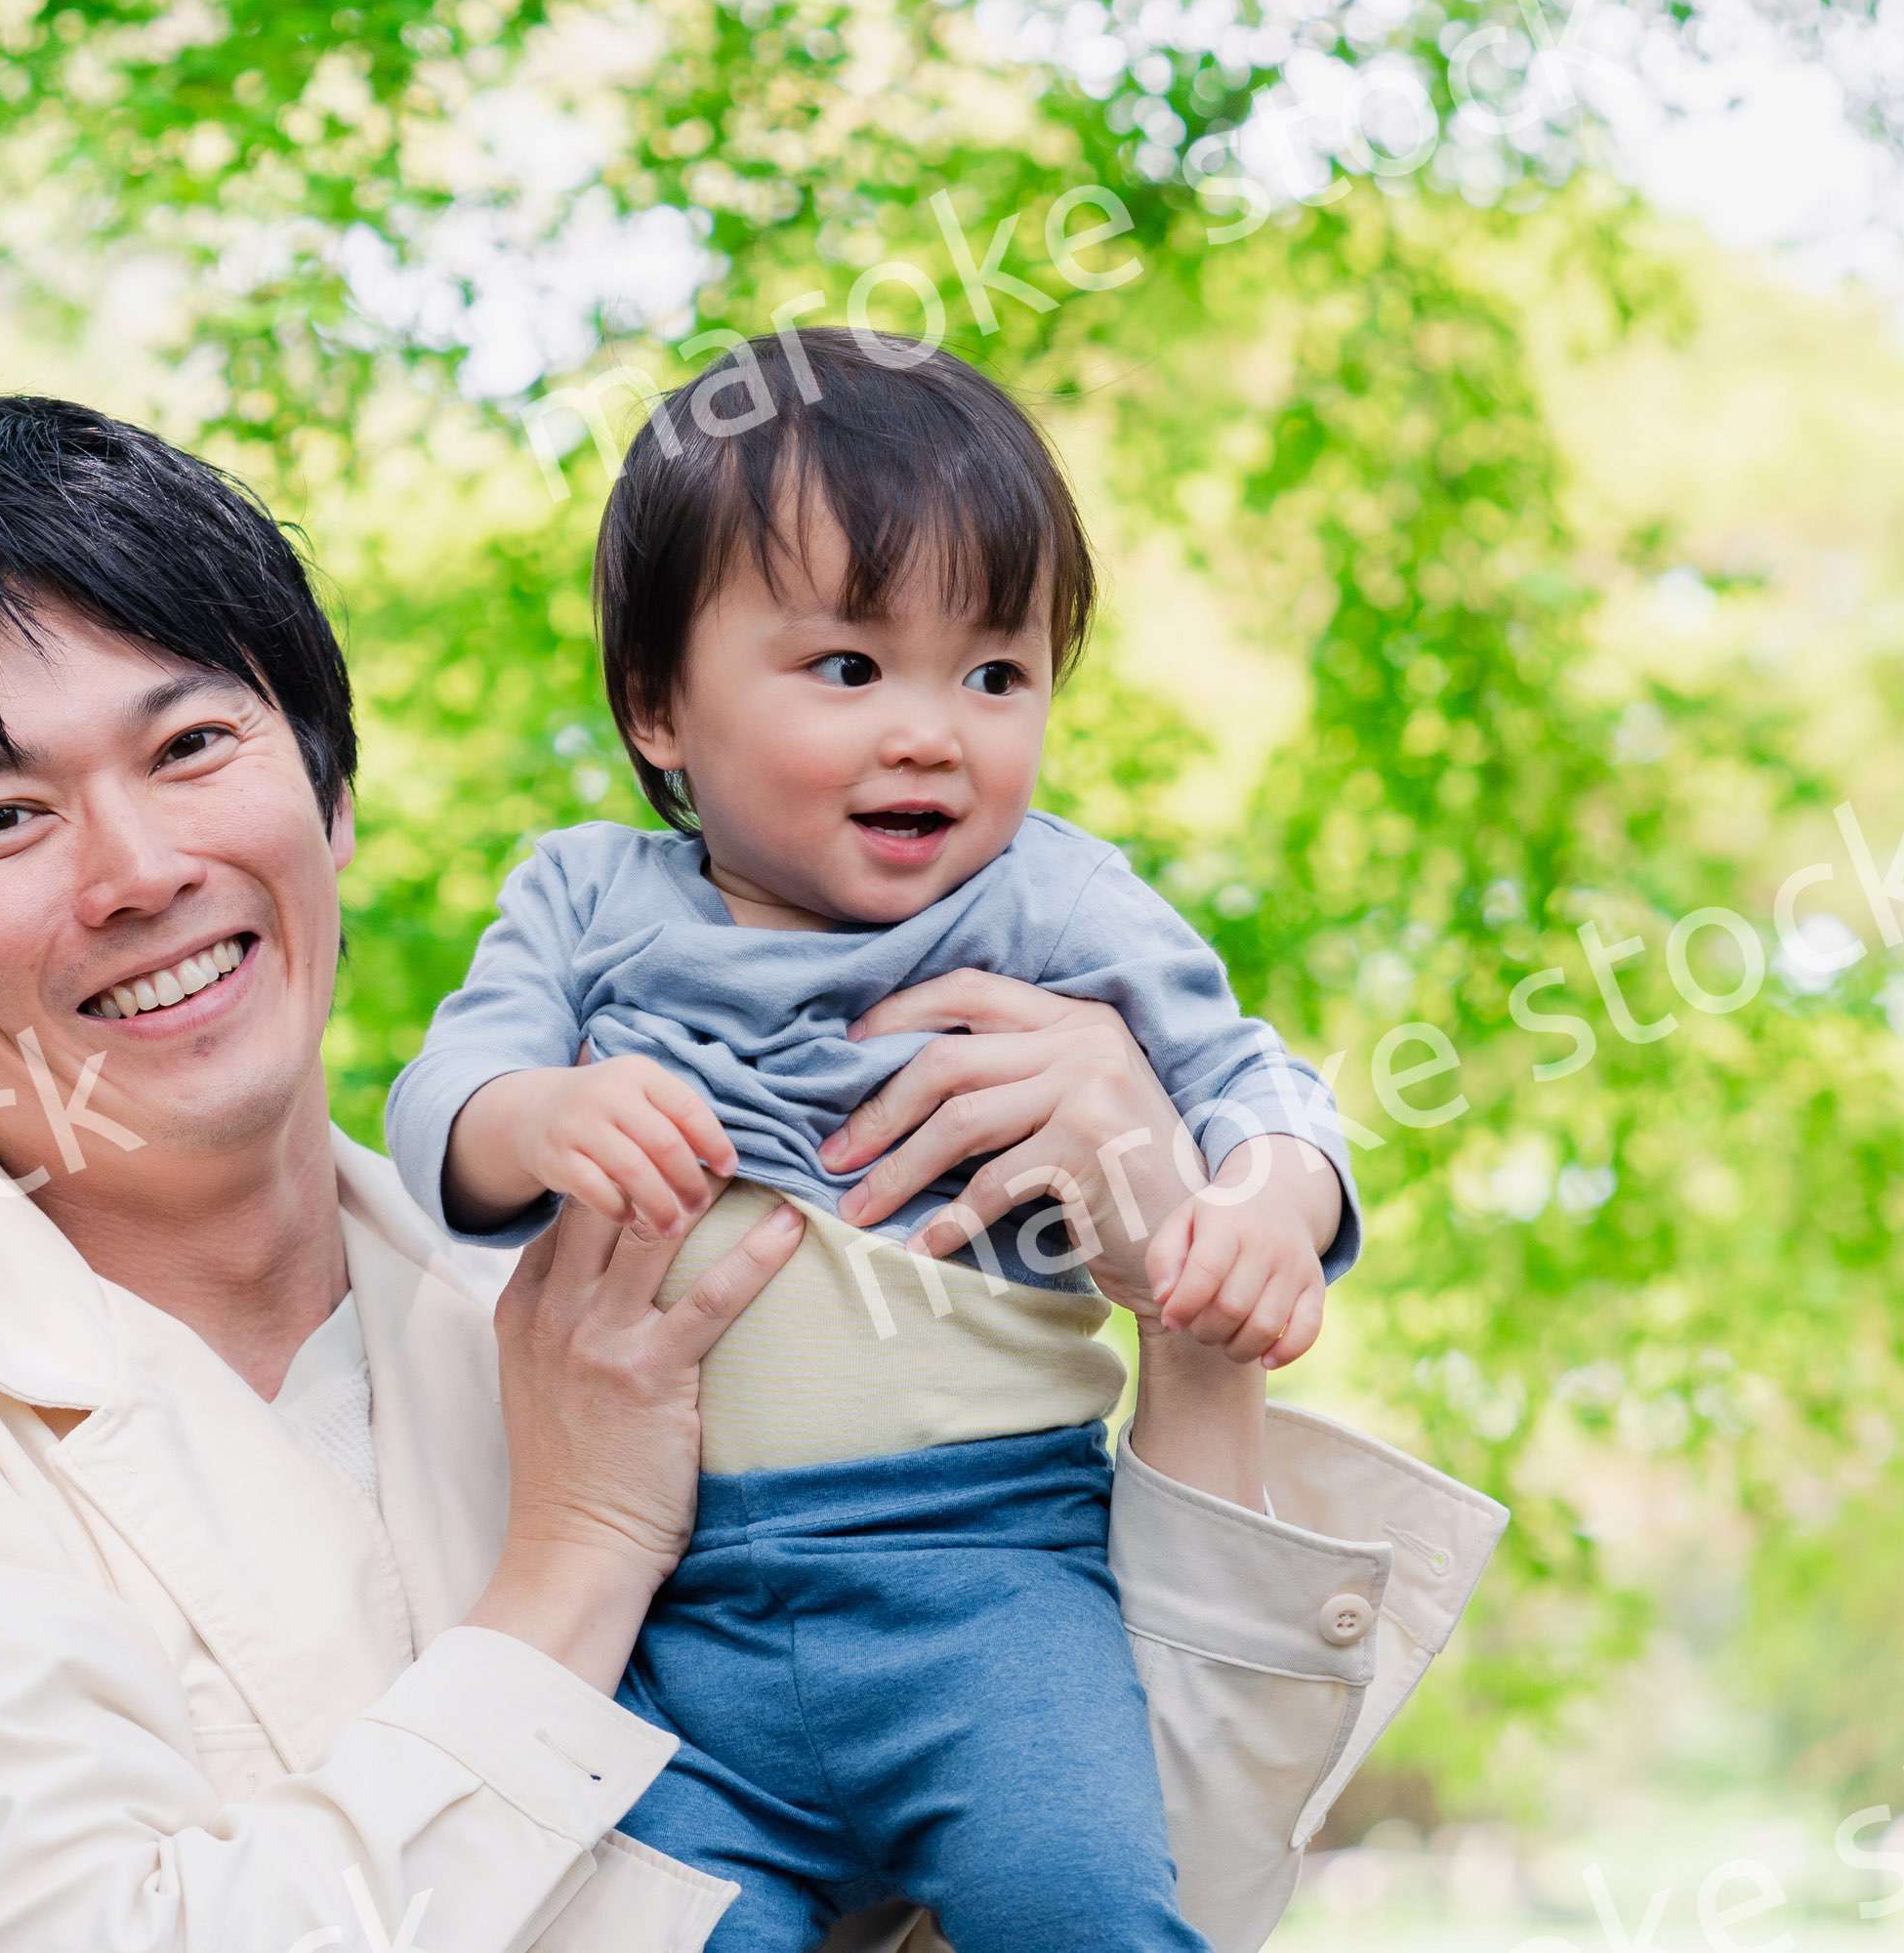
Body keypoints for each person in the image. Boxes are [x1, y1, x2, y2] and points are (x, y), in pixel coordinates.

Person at [0, 393, 1509, 1953]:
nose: (136, 865)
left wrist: (1180, 1303)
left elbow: (1142, 1883)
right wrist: (574, 1562)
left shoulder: (633, 1271)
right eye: (0, 815)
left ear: (328, 790)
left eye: (192, 744)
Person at [386, 332, 1367, 1953]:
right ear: (657, 708)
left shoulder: (1047, 897)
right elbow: (443, 1107)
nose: (933, 733)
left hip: (990, 1581)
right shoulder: (585, 898)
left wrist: (1267, 1198)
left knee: (1089, 1906)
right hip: (676, 1623)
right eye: (849, 670)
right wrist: (544, 1116)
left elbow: (1254, 1082)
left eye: (996, 674)